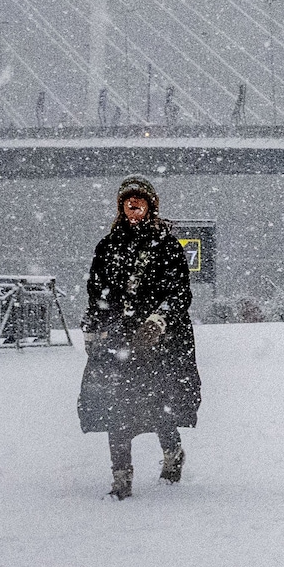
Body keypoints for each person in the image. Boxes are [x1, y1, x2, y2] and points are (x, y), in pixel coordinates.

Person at [78, 176, 201, 499]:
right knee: (116, 408)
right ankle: (121, 479)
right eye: (128, 200)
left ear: (150, 206)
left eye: (140, 200)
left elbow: (179, 293)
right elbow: (97, 293)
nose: (134, 205)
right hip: (118, 340)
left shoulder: (167, 246)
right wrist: (93, 326)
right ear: (121, 206)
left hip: (159, 345)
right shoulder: (108, 246)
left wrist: (158, 321)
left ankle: (172, 454)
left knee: (158, 407)